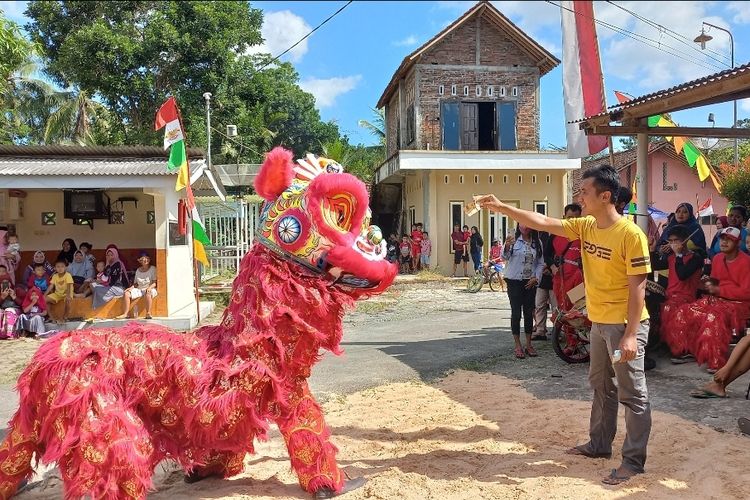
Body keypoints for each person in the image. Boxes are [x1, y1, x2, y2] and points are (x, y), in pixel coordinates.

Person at [476, 164, 652, 485]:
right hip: (598, 323)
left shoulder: (630, 235)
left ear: (606, 196)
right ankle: (599, 445)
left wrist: (629, 335)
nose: (579, 198)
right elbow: (544, 221)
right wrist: (502, 207)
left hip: (625, 326)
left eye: (584, 192)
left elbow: (638, 286)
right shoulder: (586, 226)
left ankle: (633, 462)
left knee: (632, 394)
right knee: (600, 385)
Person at [668, 227, 750, 372]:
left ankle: (716, 360)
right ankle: (689, 351)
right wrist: (708, 284)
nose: (724, 242)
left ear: (737, 243)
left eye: (729, 239)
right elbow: (716, 282)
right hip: (718, 300)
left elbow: (746, 292)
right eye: (722, 239)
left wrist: (719, 290)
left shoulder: (746, 262)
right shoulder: (717, 258)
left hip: (739, 304)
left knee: (713, 317)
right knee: (684, 312)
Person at [653, 225, 703, 363]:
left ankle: (682, 351)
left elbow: (682, 275)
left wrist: (679, 255)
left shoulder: (695, 258)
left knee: (671, 309)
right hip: (670, 296)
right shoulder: (671, 257)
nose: (673, 244)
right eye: (670, 241)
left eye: (676, 240)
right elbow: (653, 265)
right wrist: (653, 250)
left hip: (686, 299)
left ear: (685, 241)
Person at [502, 225, 544, 359]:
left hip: (529, 282)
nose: (525, 227)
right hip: (514, 281)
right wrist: (507, 245)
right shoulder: (513, 240)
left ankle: (529, 344)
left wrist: (536, 277)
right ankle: (517, 345)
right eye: (522, 224)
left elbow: (540, 263)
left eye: (528, 224)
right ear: (518, 225)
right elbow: (505, 256)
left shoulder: (537, 242)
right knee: (516, 313)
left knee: (528, 312)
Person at [546, 203, 584, 311]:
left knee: (576, 309)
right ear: (564, 217)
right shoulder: (555, 234)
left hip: (578, 279)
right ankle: (562, 327)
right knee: (563, 308)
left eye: (576, 218)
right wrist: (552, 267)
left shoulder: (585, 234)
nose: (573, 221)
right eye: (570, 218)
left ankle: (574, 328)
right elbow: (547, 254)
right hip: (560, 279)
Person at [118, 252, 157, 319]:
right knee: (126, 293)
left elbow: (154, 282)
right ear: (140, 261)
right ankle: (125, 314)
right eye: (143, 259)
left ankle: (148, 313)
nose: (145, 260)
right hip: (139, 289)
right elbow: (136, 284)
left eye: (147, 259)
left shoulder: (153, 268)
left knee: (148, 293)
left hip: (150, 288)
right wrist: (130, 288)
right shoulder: (138, 270)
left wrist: (149, 288)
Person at [533, 230, 553, 340]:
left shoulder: (550, 236)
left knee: (556, 308)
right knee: (539, 304)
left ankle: (558, 331)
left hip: (552, 277)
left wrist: (549, 267)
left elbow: (550, 255)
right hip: (541, 279)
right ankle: (540, 330)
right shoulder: (534, 237)